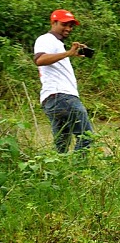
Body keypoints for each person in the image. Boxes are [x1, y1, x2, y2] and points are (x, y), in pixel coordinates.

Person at [33, 9, 94, 153]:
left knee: (61, 147)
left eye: (71, 25)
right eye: (64, 24)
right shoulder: (46, 39)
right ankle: (78, 171)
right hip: (63, 97)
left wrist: (71, 54)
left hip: (53, 99)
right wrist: (68, 53)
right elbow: (40, 60)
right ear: (54, 23)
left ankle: (63, 173)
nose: (68, 28)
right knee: (87, 137)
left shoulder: (56, 44)